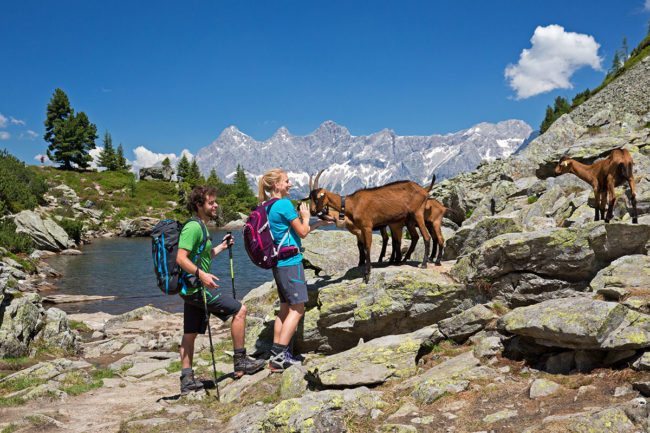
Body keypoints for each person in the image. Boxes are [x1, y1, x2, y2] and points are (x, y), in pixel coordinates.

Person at [176, 185, 265, 394]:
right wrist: (202, 275)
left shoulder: (201, 226)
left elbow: (202, 257)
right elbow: (181, 258)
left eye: (215, 201)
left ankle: (187, 380)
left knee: (189, 333)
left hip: (190, 288)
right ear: (199, 205)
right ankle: (240, 361)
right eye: (211, 202)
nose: (216, 205)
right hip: (197, 288)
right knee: (240, 310)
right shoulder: (193, 228)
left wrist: (221, 248)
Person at [258, 169, 332, 371]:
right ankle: (280, 357)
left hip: (278, 262)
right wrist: (306, 216)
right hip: (290, 262)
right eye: (287, 181)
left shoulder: (267, 206)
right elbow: (302, 231)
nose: (290, 184)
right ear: (276, 185)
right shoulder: (283, 204)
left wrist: (318, 223)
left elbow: (294, 232)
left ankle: (277, 354)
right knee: (298, 309)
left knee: (284, 309)